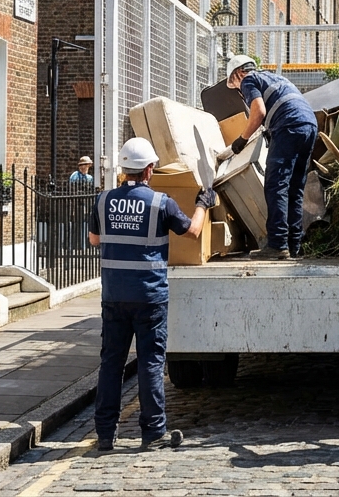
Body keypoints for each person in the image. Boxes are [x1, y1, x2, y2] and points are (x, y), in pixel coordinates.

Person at [89, 137, 216, 451]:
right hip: (149, 296)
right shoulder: (162, 202)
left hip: (114, 296)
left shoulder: (103, 200)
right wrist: (203, 203)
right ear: (148, 170)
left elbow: (94, 240)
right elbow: (193, 231)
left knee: (111, 364)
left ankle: (105, 434)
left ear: (123, 169)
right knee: (150, 363)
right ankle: (153, 433)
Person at [222, 55, 318, 260]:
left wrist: (242, 139)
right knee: (294, 188)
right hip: (308, 125)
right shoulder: (275, 78)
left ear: (238, 73)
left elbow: (258, 110)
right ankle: (293, 245)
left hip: (289, 126)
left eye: (235, 85)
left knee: (276, 185)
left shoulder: (248, 80)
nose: (240, 91)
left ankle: (277, 244)